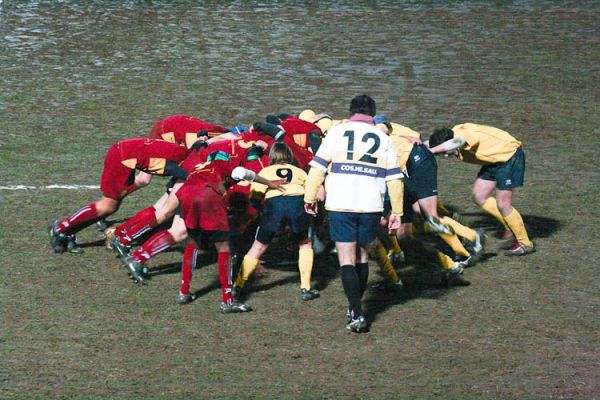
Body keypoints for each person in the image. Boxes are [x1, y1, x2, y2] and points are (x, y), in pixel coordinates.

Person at [303, 95, 404, 333]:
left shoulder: (337, 132)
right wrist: (397, 211)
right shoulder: (383, 137)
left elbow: (317, 168)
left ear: (350, 112)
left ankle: (356, 312)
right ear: (373, 113)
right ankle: (356, 310)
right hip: (371, 204)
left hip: (340, 203)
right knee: (362, 257)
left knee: (346, 258)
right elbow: (395, 178)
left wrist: (309, 198)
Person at [173, 150, 284, 312]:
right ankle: (227, 301)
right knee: (223, 247)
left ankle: (183, 292)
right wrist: (269, 183)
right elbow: (241, 172)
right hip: (207, 195)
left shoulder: (198, 167)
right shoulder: (222, 163)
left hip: (185, 196)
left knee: (193, 243)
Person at [49, 138, 189, 253]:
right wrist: (189, 176)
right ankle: (61, 228)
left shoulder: (194, 152)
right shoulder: (191, 161)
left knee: (111, 205)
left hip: (125, 155)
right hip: (123, 158)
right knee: (107, 206)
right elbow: (170, 166)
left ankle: (66, 232)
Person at [428, 123, 535, 256]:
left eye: (445, 153)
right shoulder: (452, 133)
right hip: (495, 161)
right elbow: (443, 143)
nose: (445, 156)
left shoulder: (463, 137)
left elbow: (457, 142)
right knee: (479, 195)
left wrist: (432, 151)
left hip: (509, 156)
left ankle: (525, 243)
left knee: (503, 204)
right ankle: (510, 225)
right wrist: (421, 145)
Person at [233, 143, 320, 302]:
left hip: (274, 205)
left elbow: (254, 199)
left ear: (272, 156)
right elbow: (311, 193)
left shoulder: (265, 172)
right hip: (297, 202)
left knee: (258, 246)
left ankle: (238, 285)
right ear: (289, 156)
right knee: (305, 244)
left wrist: (264, 211)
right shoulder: (300, 171)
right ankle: (306, 288)